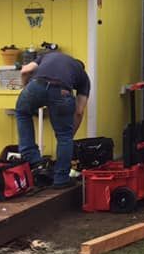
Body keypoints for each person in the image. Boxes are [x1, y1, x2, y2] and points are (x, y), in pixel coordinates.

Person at [15, 51, 90, 188]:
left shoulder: (49, 56)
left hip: (36, 85)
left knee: (22, 112)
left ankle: (33, 159)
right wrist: (68, 136)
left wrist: (26, 89)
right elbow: (79, 112)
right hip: (62, 92)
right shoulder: (84, 78)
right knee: (64, 136)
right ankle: (61, 179)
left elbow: (25, 70)